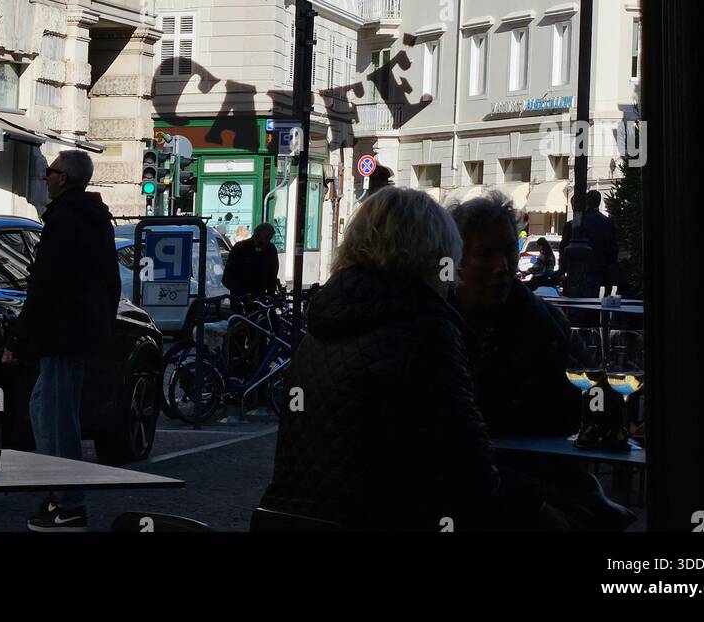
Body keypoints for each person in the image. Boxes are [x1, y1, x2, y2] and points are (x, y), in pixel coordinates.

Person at [257, 187, 547, 532]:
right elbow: (471, 472)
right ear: (434, 254)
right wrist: (537, 499)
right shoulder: (425, 331)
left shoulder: (325, 325)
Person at [2, 149, 120, 533]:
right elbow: (108, 282)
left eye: (50, 172)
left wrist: (19, 338)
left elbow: (44, 285)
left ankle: (69, 502)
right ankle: (60, 493)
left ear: (63, 179)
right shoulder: (94, 219)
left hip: (61, 333)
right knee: (46, 410)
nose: (45, 177)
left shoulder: (65, 220)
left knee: (55, 418)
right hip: (79, 331)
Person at [449, 193, 581, 437]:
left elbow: (580, 408)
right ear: (457, 257)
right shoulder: (433, 325)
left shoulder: (547, 324)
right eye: (485, 253)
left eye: (509, 251)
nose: (501, 266)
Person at [221, 222, 279, 300]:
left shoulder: (270, 249)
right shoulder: (240, 248)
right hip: (240, 298)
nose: (263, 245)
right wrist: (241, 293)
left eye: (267, 241)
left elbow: (273, 274)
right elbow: (227, 277)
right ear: (255, 235)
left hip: (260, 297)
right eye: (261, 242)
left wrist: (271, 295)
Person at [581, 190, 619, 295]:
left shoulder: (582, 220)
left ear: (587, 201)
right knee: (596, 294)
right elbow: (613, 246)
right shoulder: (607, 221)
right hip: (602, 265)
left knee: (585, 296)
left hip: (586, 265)